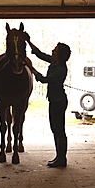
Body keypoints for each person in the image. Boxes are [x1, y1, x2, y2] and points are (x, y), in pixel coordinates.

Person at [23, 34, 71, 168]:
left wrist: (32, 69)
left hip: (58, 101)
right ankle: (59, 157)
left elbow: (44, 80)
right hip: (54, 100)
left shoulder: (60, 68)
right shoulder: (55, 62)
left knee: (59, 129)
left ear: (60, 55)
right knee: (55, 129)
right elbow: (39, 54)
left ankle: (62, 158)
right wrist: (28, 42)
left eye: (55, 51)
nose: (52, 52)